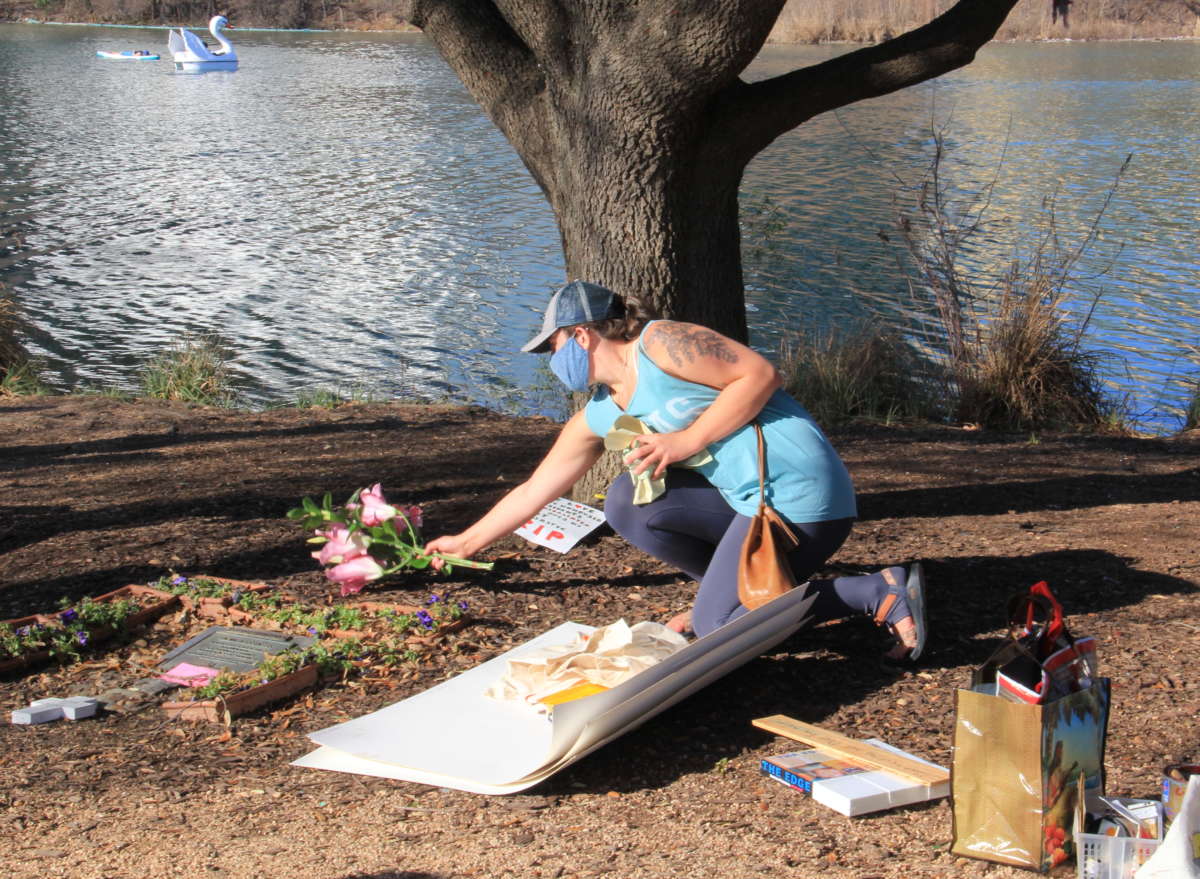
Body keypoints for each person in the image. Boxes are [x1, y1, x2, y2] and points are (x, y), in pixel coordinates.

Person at [424, 280, 926, 660]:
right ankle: (731, 594)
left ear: (581, 335)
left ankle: (872, 590)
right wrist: (467, 543)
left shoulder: (662, 342)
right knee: (627, 503)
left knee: (718, 629)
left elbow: (761, 375)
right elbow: (538, 486)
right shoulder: (600, 411)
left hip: (797, 493)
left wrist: (686, 440)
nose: (550, 362)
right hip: (746, 504)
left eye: (550, 348)